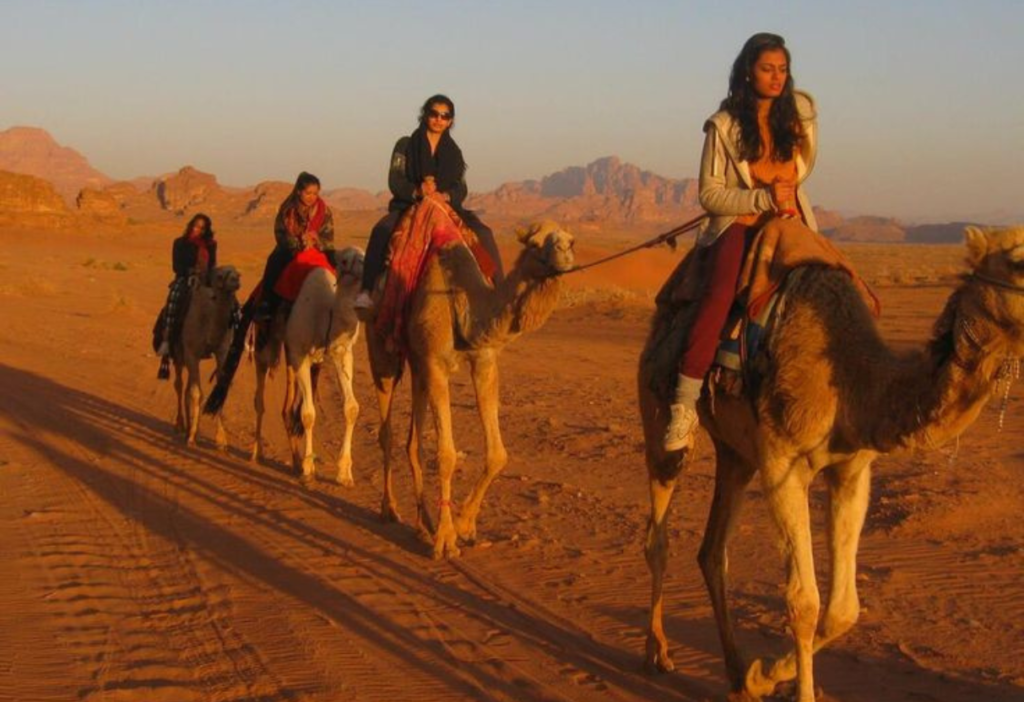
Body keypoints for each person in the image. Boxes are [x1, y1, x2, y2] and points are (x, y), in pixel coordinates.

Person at [663, 32, 819, 451]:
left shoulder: (799, 117)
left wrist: (782, 200)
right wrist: (761, 197)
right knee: (718, 298)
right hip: (740, 224)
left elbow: (802, 169)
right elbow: (709, 195)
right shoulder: (725, 126)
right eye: (767, 68)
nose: (776, 77)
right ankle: (684, 405)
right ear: (748, 72)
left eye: (782, 69)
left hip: (791, 224)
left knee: (837, 288)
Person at [354, 94, 503, 310]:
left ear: (450, 121)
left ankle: (501, 292)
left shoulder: (454, 152)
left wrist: (446, 196)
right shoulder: (405, 145)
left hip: (445, 207)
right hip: (410, 205)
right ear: (425, 115)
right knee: (381, 230)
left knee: (484, 233)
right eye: (434, 114)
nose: (438, 119)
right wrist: (417, 191)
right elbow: (395, 180)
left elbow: (461, 186)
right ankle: (366, 292)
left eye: (445, 116)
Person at [255, 171, 335, 321]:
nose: (312, 197)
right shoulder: (287, 210)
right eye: (308, 193)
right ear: (299, 191)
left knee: (338, 262)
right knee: (274, 261)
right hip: (291, 249)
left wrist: (316, 241)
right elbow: (280, 234)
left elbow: (329, 238)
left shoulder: (324, 212)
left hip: (318, 248)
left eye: (315, 193)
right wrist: (300, 242)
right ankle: (267, 304)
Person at [157, 213, 217, 360]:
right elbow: (176, 266)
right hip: (184, 278)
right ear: (191, 225)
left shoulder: (211, 245)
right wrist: (190, 272)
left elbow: (213, 265)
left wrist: (208, 276)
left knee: (225, 302)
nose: (199, 230)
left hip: (205, 280)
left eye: (203, 228)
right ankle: (166, 339)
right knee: (174, 299)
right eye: (197, 226)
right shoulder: (179, 243)